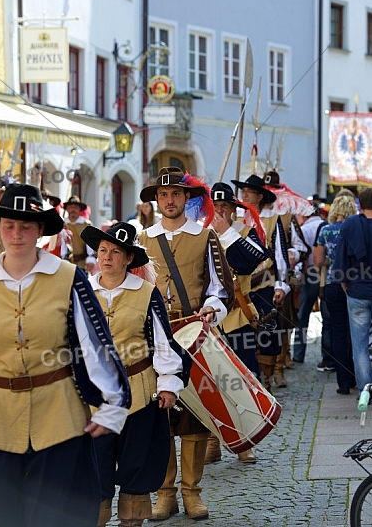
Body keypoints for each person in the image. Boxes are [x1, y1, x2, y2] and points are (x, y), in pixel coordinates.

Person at [0, 183, 131, 527]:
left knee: (56, 515)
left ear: (40, 230)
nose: (17, 234)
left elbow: (92, 343)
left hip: (58, 415)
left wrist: (112, 405)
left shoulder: (67, 277)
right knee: (1, 517)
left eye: (26, 226)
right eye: (9, 225)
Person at [138, 167, 234, 522]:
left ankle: (192, 493)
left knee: (195, 415)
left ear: (186, 198)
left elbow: (220, 286)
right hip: (155, 337)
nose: (170, 200)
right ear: (156, 200)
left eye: (176, 194)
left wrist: (213, 307)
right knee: (161, 413)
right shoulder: (141, 239)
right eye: (163, 195)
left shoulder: (204, 236)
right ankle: (165, 494)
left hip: (195, 333)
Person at [81, 222, 190, 527]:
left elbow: (162, 343)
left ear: (129, 258)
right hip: (94, 398)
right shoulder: (82, 291)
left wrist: (168, 384)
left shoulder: (145, 293)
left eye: (116, 251)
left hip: (139, 395)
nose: (107, 257)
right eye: (103, 250)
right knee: (95, 468)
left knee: (136, 471)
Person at [207, 181, 270, 464]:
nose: (219, 212)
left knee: (242, 380)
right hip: (207, 318)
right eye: (214, 206)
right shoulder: (199, 234)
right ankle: (212, 440)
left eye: (224, 207)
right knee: (210, 382)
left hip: (237, 316)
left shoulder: (246, 233)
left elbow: (248, 264)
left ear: (233, 209)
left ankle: (245, 441)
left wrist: (226, 233)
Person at [232, 175, 288, 392]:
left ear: (260, 195)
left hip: (264, 282)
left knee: (267, 330)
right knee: (241, 332)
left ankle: (266, 377)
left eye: (249, 191)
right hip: (239, 286)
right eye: (243, 190)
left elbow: (280, 255)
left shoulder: (272, 220)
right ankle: (245, 377)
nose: (244, 194)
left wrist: (282, 285)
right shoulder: (235, 220)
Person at [262, 170, 311, 387]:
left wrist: (293, 253)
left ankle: (280, 366)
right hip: (252, 281)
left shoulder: (286, 217)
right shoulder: (242, 217)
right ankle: (263, 369)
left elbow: (302, 247)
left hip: (280, 278)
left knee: (281, 323)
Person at [313, 195, 357, 395]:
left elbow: (318, 261)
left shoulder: (326, 230)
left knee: (338, 333)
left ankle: (344, 382)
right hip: (355, 283)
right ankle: (359, 377)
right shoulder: (356, 229)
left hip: (332, 283)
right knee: (356, 333)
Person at [334, 187, 372, 393]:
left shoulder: (351, 225)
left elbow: (340, 258)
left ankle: (366, 389)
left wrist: (344, 283)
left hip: (357, 290)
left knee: (359, 345)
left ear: (360, 202)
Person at [292, 204, 327, 364]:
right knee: (327, 316)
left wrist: (301, 277)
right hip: (327, 273)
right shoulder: (324, 224)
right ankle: (327, 357)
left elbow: (303, 254)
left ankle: (299, 354)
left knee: (303, 316)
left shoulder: (304, 229)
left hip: (311, 272)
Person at [63, 194, 96, 272]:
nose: (73, 210)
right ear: (67, 209)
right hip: (66, 263)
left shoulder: (86, 224)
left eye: (75, 207)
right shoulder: (62, 224)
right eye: (71, 207)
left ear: (79, 209)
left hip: (82, 264)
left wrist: (90, 259)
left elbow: (90, 244)